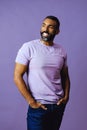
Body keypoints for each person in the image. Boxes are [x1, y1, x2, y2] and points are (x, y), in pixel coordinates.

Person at [14, 15, 70, 130]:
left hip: (57, 106)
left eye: (50, 27)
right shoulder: (29, 47)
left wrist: (66, 97)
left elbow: (65, 77)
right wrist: (31, 102)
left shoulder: (61, 50)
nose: (45, 29)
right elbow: (17, 76)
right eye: (43, 25)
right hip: (39, 107)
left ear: (57, 31)